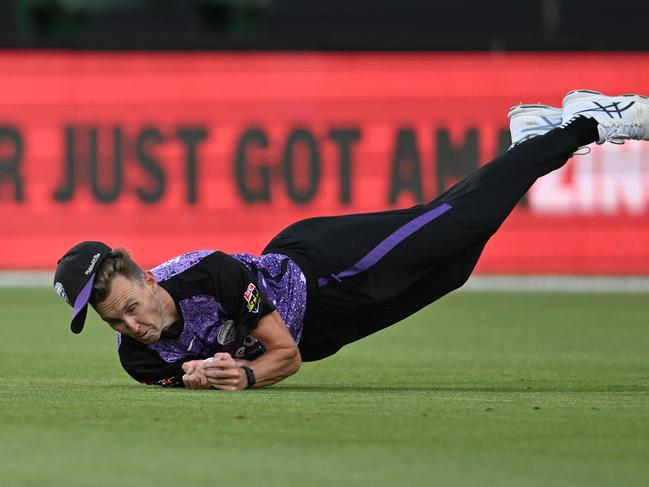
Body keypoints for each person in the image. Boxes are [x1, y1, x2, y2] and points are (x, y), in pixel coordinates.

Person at [53, 89, 649, 390]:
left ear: (148, 275)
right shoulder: (138, 359)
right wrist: (201, 378)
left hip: (321, 267)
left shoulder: (208, 275)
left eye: (130, 308)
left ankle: (588, 121)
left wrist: (246, 377)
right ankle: (529, 140)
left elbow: (282, 357)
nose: (132, 328)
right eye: (114, 322)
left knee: (457, 224)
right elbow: (192, 376)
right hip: (329, 327)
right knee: (454, 263)